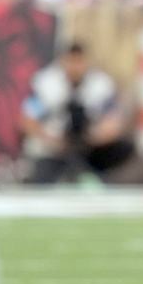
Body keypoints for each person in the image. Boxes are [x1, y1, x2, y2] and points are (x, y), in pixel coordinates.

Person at [19, 42, 133, 184]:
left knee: (124, 147)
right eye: (71, 62)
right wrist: (53, 141)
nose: (75, 68)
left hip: (88, 147)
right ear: (62, 61)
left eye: (79, 62)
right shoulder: (46, 84)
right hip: (54, 148)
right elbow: (27, 120)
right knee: (42, 184)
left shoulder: (100, 85)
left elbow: (115, 120)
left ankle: (93, 175)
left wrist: (95, 136)